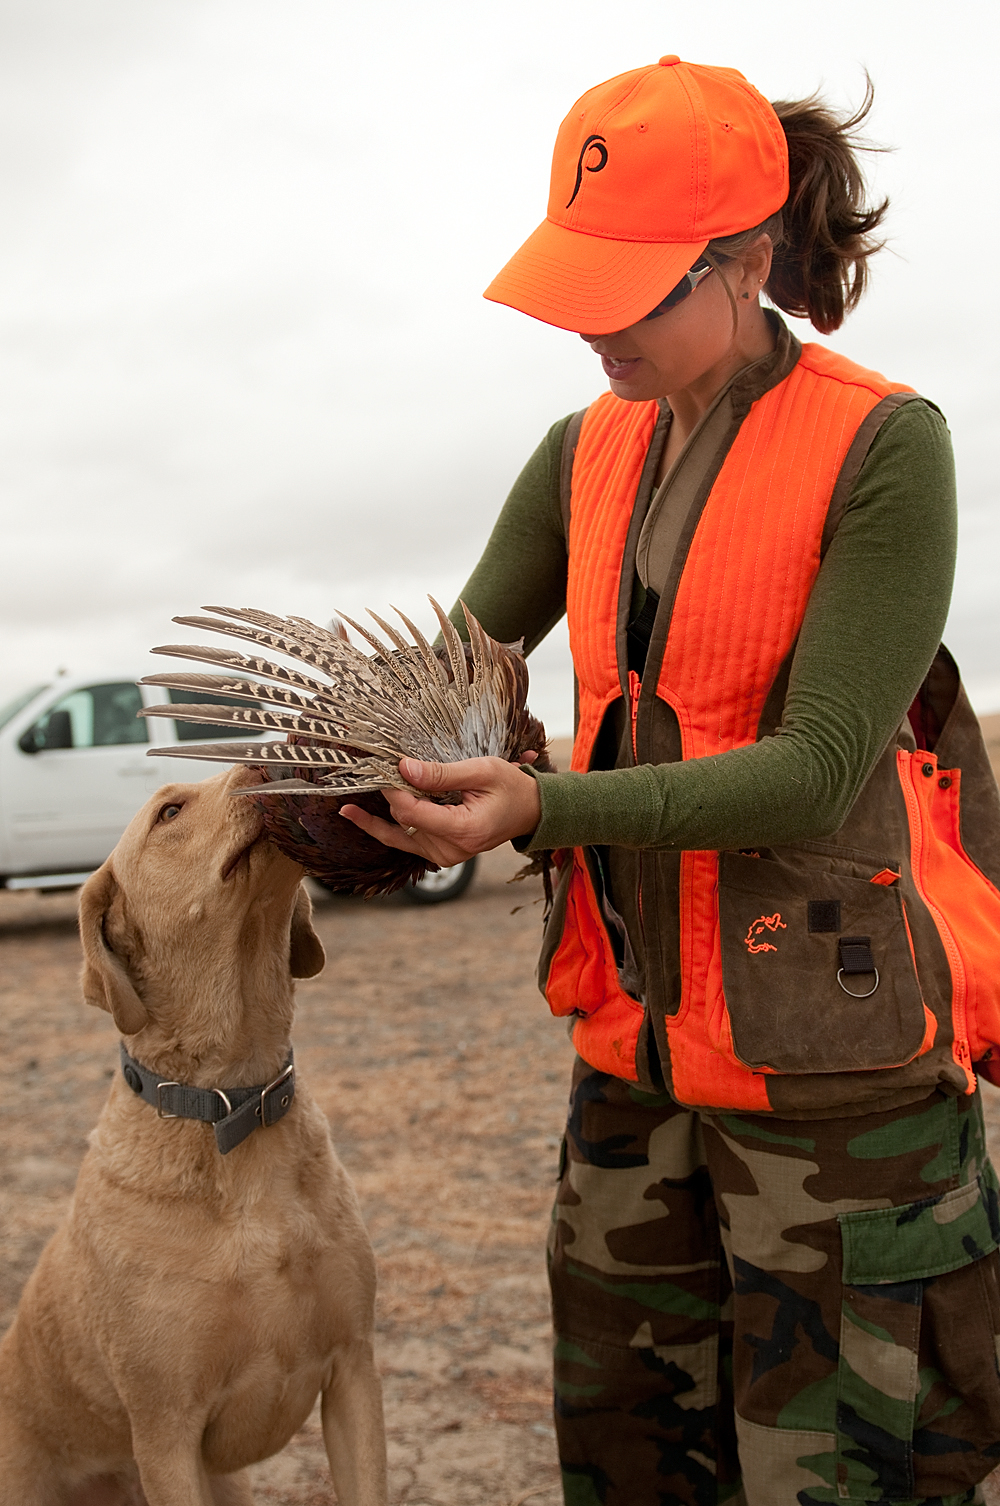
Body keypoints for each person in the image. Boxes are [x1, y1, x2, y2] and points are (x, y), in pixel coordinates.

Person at [341, 56, 1000, 1506]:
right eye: (580, 281)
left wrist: (543, 808)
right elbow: (453, 670)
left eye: (632, 289)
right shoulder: (581, 453)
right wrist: (331, 772)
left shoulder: (887, 446)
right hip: (632, 1072)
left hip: (839, 1092)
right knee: (631, 1468)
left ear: (747, 260)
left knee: (852, 1479)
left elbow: (815, 772)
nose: (593, 323)